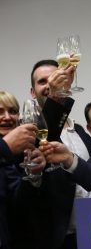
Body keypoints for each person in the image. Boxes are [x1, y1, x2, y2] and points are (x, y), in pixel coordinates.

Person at [30, 59, 91, 249]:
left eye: (54, 78)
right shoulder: (28, 131)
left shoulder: (82, 131)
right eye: (43, 81)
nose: (50, 83)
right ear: (32, 92)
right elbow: (42, 142)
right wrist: (57, 98)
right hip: (57, 239)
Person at [0, 91, 46, 249]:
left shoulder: (22, 152)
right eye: (0, 112)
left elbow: (19, 205)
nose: (7, 117)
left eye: (12, 111)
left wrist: (34, 175)